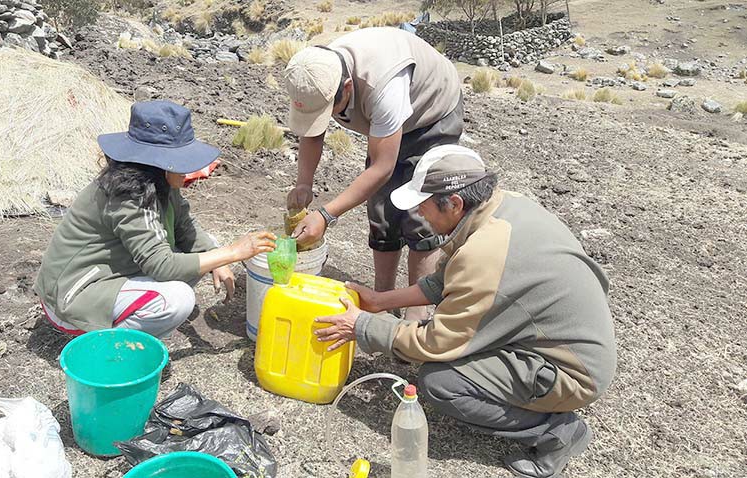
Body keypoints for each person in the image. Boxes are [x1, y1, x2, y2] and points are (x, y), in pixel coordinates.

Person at [314, 145, 617, 478]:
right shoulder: (501, 207)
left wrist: (363, 326)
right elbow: (448, 281)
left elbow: (436, 344)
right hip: (558, 338)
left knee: (441, 381)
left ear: (454, 203)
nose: (420, 216)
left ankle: (557, 431)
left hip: (572, 370)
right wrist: (381, 301)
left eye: (424, 207)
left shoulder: (484, 253)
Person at [35, 101, 276, 337]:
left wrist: (218, 258)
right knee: (177, 300)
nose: (188, 170)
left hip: (112, 274)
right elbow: (162, 266)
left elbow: (185, 227)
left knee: (208, 247)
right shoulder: (128, 194)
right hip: (72, 297)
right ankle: (107, 347)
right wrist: (233, 253)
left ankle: (127, 316)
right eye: (181, 162)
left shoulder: (158, 182)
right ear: (157, 162)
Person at [283, 26, 464, 320]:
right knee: (381, 209)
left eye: (331, 109)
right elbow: (312, 133)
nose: (328, 117)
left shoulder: (382, 84)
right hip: (387, 120)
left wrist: (326, 215)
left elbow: (382, 167)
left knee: (421, 214)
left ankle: (415, 315)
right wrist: (304, 182)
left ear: (348, 89)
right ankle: (382, 301)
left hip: (431, 114)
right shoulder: (315, 74)